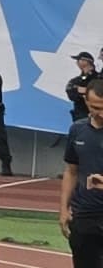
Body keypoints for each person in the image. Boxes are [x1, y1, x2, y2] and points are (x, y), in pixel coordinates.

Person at [58, 75, 103, 268]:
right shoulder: (77, 130)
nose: (101, 113)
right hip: (84, 214)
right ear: (86, 102)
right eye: (95, 107)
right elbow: (71, 171)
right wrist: (63, 209)